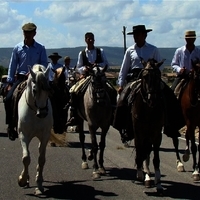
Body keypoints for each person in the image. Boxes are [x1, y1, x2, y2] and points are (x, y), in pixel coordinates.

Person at [113, 24, 185, 143]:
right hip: (135, 78)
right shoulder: (130, 50)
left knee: (169, 96)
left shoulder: (153, 49)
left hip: (152, 79)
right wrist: (121, 84)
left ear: (144, 35)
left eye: (138, 34)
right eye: (135, 35)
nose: (136, 37)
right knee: (122, 100)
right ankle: (123, 126)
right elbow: (124, 68)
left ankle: (171, 125)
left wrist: (154, 75)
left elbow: (160, 67)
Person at [4, 22, 48, 141]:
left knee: (52, 96)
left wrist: (36, 70)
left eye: (29, 33)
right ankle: (11, 125)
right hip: (22, 78)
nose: (27, 35)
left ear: (34, 33)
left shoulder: (40, 48)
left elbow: (44, 63)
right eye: (25, 33)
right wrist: (10, 82)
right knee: (8, 98)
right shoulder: (17, 48)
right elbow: (12, 65)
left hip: (36, 79)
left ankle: (53, 123)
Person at [66, 32, 116, 126]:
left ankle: (113, 114)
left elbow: (106, 64)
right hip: (87, 76)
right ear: (85, 40)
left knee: (112, 90)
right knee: (73, 91)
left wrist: (98, 66)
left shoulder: (100, 51)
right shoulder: (82, 53)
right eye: (88, 39)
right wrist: (85, 69)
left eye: (92, 38)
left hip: (99, 76)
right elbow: (78, 67)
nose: (91, 40)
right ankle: (74, 115)